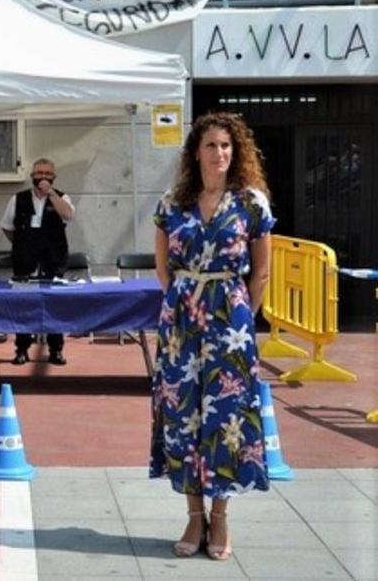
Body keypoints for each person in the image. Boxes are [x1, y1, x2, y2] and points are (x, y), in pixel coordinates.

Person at [151, 112, 274, 562]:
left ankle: (220, 516)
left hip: (230, 323)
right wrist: (184, 304)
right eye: (211, 145)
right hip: (182, 322)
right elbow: (163, 267)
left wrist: (240, 317)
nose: (219, 153)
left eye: (226, 145)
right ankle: (193, 514)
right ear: (195, 152)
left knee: (225, 418)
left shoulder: (251, 203)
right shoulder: (172, 203)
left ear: (235, 151)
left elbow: (261, 271)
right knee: (184, 417)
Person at [0, 158, 75, 365]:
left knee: (54, 305)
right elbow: (7, 227)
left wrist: (50, 194)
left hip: (53, 260)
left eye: (47, 174)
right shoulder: (18, 198)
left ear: (54, 177)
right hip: (25, 261)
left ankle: (55, 349)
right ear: (32, 176)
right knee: (23, 305)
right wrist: (22, 244)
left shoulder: (61, 197)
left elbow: (68, 215)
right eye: (38, 173)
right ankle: (22, 349)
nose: (42, 177)